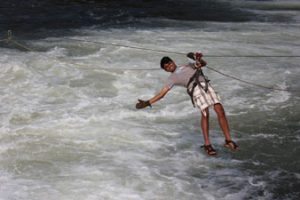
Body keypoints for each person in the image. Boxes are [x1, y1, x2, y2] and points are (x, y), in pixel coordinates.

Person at [135, 52, 238, 156]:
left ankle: (228, 140)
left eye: (169, 63)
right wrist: (147, 103)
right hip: (195, 90)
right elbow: (162, 94)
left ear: (173, 62)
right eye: (166, 67)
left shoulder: (188, 65)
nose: (169, 67)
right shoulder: (171, 79)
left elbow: (203, 64)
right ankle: (207, 144)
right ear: (165, 70)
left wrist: (198, 59)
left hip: (206, 85)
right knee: (205, 113)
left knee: (220, 110)